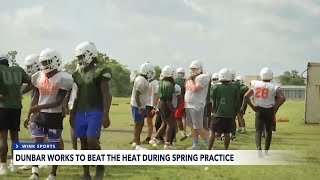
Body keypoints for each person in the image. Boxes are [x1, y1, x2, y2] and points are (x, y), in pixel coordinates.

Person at [24, 48, 73, 180]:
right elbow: (35, 97)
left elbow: (58, 102)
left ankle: (53, 173)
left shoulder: (64, 78)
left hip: (54, 115)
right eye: (43, 62)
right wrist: (29, 114)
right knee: (37, 142)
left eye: (47, 62)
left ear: (55, 60)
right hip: (39, 115)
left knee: (54, 144)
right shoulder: (37, 76)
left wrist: (40, 106)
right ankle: (34, 172)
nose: (45, 65)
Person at [71, 42, 112, 180]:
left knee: (91, 139)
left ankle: (100, 166)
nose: (79, 59)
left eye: (81, 56)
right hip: (80, 111)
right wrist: (72, 113)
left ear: (90, 54)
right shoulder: (77, 73)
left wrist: (106, 114)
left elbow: (106, 93)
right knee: (83, 141)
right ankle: (86, 173)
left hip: (95, 111)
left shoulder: (100, 71)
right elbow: (76, 95)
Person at [0, 55, 32, 175]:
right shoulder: (18, 70)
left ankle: (3, 166)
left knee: (2, 137)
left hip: (2, 107)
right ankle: (14, 164)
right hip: (16, 107)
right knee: (15, 138)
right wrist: (21, 92)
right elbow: (30, 83)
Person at [241, 67, 286, 152]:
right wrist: (275, 107)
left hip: (259, 110)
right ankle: (266, 151)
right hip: (269, 110)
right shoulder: (274, 86)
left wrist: (253, 106)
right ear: (271, 76)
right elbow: (282, 98)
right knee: (268, 131)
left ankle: (258, 147)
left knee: (258, 131)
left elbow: (246, 96)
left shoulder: (255, 84)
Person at [18, 54, 42, 171]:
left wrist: (29, 113)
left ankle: (41, 161)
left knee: (39, 135)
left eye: (29, 66)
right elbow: (30, 87)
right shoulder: (37, 76)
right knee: (40, 136)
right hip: (39, 107)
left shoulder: (40, 76)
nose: (28, 69)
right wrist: (21, 92)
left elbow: (35, 94)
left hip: (41, 108)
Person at [208, 68, 239, 150]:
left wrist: (213, 111)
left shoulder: (215, 87)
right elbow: (236, 103)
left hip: (218, 114)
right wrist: (234, 114)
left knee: (212, 133)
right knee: (227, 134)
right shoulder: (235, 88)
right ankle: (226, 150)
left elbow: (213, 102)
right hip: (229, 115)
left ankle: (208, 150)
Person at [149, 66, 178, 149]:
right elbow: (168, 99)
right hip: (165, 104)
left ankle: (154, 139)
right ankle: (168, 143)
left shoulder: (161, 82)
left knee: (164, 124)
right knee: (170, 124)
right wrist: (172, 109)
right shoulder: (169, 84)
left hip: (161, 104)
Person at [184, 60, 210, 150]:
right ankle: (196, 144)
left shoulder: (203, 77)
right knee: (193, 127)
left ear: (200, 69)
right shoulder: (191, 78)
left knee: (199, 127)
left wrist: (190, 81)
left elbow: (196, 89)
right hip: (188, 104)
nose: (192, 71)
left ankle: (209, 146)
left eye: (194, 69)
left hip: (197, 105)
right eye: (191, 69)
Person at [130, 62, 154, 150]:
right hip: (137, 105)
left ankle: (135, 142)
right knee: (138, 124)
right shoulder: (141, 81)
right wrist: (140, 107)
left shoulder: (141, 79)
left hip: (139, 105)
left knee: (140, 124)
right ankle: (138, 145)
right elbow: (137, 95)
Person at [142, 70, 158, 144]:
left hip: (151, 105)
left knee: (149, 121)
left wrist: (155, 106)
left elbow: (156, 95)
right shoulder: (145, 81)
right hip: (146, 104)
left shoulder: (155, 83)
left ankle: (149, 138)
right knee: (143, 122)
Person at [174, 67, 187, 140]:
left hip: (176, 102)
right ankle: (183, 131)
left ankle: (175, 133)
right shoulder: (186, 81)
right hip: (185, 101)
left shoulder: (174, 81)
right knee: (184, 117)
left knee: (175, 118)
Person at [230, 69, 240, 141]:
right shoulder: (236, 83)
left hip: (231, 104)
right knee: (232, 120)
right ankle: (232, 135)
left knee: (231, 120)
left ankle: (232, 135)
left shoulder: (235, 84)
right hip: (234, 104)